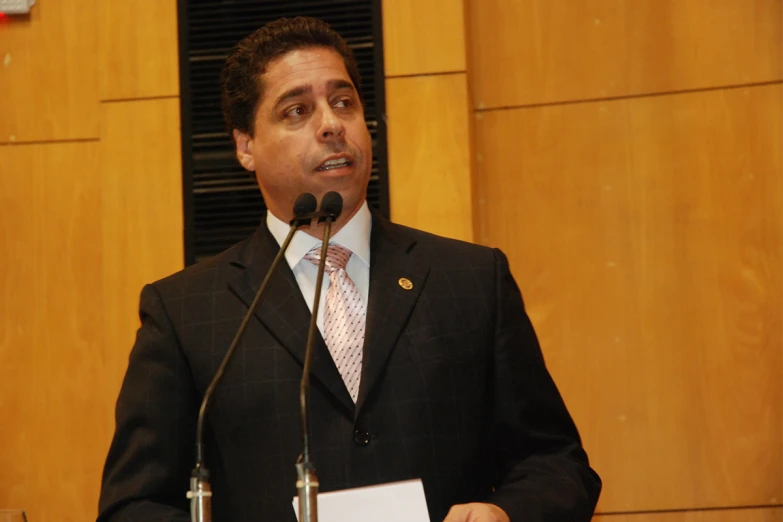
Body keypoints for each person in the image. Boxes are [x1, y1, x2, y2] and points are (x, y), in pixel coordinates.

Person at [97, 16, 601, 522]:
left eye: (344, 102)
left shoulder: (470, 279)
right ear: (246, 147)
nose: (331, 124)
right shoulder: (186, 312)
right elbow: (132, 504)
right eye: (297, 110)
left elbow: (555, 463)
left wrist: (505, 514)